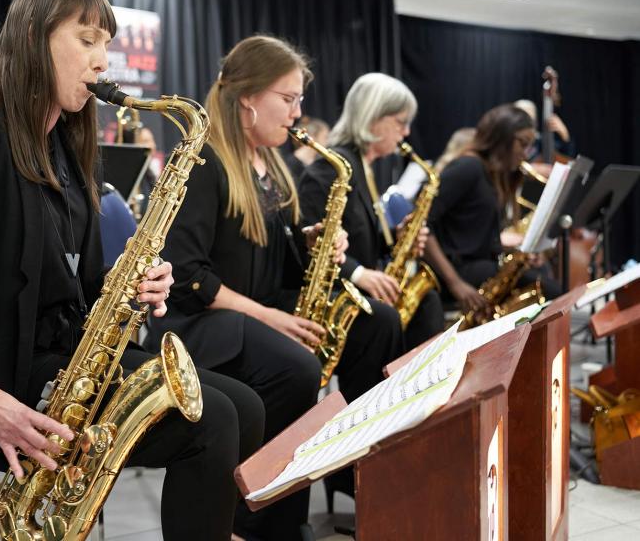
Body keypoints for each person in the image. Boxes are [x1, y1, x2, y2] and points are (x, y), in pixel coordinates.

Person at [0, 0, 264, 541]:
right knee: (212, 421)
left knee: (246, 404)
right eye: (87, 40)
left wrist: (129, 286)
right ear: (34, 37)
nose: (103, 62)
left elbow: (69, 282)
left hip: (59, 363)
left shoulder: (67, 148)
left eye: (107, 44)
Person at [146, 36, 398, 539]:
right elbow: (190, 272)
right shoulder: (205, 161)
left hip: (252, 313)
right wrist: (272, 318)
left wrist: (312, 243)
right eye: (288, 99)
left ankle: (361, 476)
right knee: (295, 365)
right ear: (249, 98)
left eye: (299, 100)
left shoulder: (272, 165)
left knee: (378, 321)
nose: (297, 113)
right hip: (199, 325)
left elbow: (276, 258)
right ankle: (256, 523)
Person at [299, 73, 444, 350]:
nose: (406, 133)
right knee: (389, 319)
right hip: (336, 295)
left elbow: (357, 234)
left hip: (357, 289)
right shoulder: (332, 167)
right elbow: (313, 241)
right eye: (401, 122)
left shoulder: (364, 165)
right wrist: (358, 273)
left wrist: (397, 236)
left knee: (427, 302)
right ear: (373, 116)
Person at [423, 103, 562, 317]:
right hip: (454, 271)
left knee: (542, 282)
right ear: (502, 138)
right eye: (522, 144)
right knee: (553, 292)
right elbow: (422, 224)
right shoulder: (468, 167)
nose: (525, 154)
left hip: (479, 266)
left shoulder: (493, 174)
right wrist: (455, 283)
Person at [282, 116, 328, 183]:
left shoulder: (317, 162)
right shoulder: (289, 164)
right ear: (312, 137)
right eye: (325, 137)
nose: (328, 141)